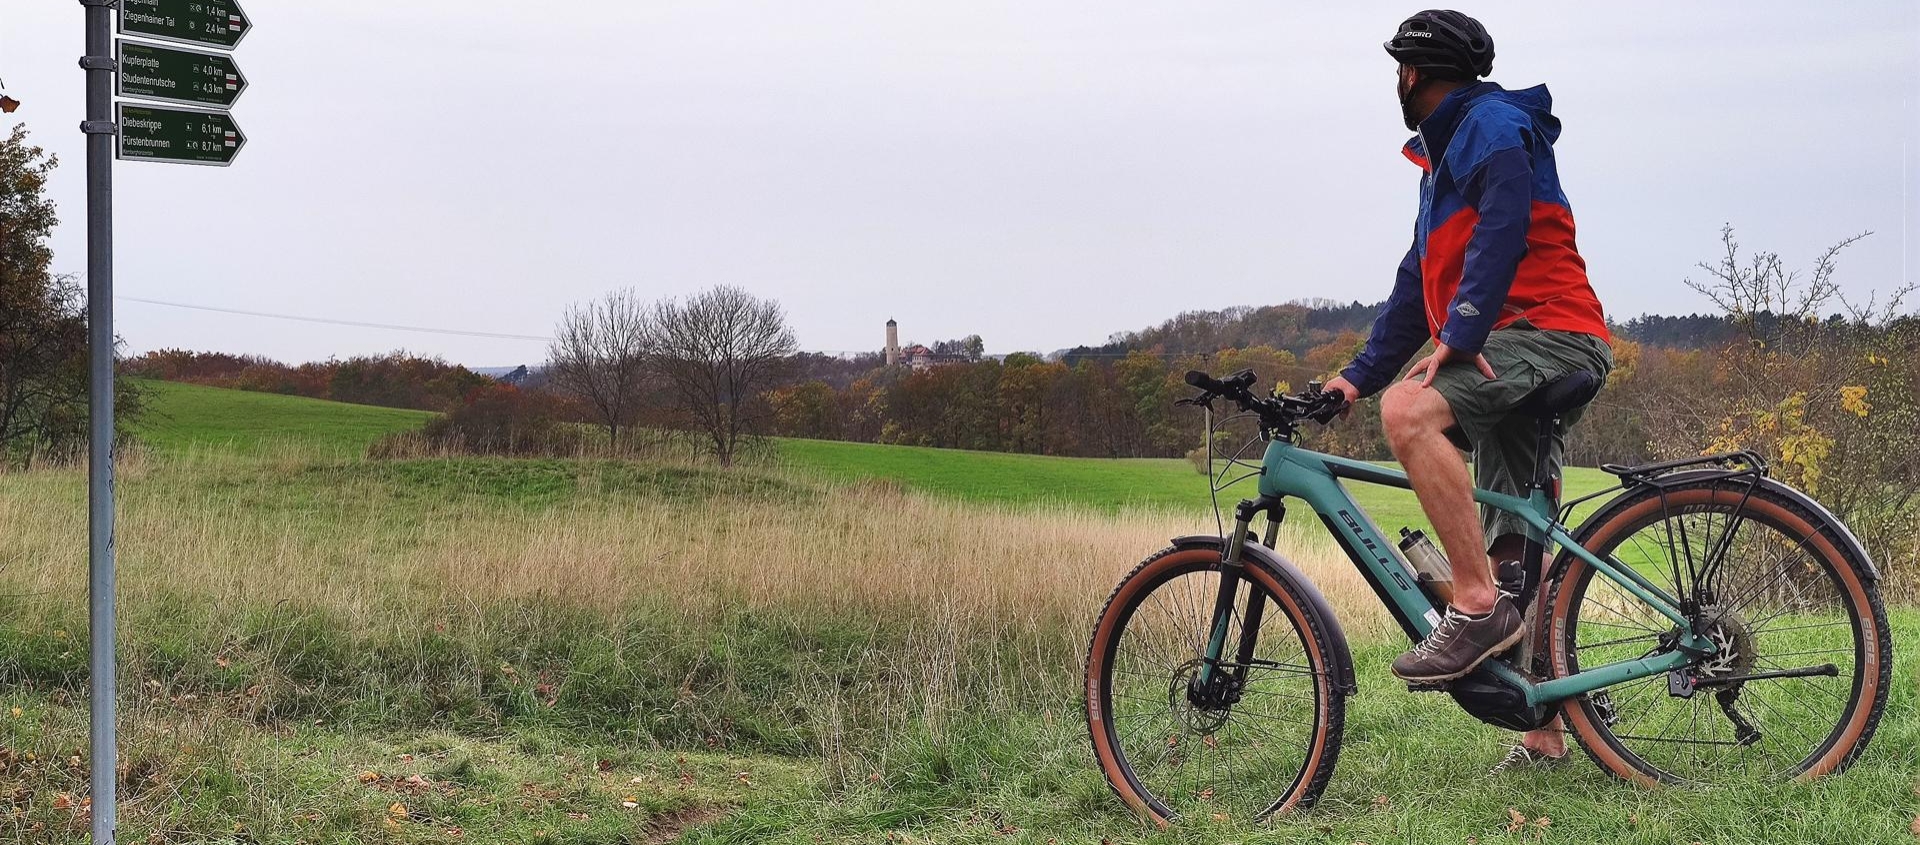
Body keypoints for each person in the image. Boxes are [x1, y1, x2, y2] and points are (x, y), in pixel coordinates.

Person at [1322, 9, 1613, 772]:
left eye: (1398, 70)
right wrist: (1354, 377)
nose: (1396, 81)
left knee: (1411, 411)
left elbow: (1509, 211)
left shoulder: (1487, 124)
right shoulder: (1445, 163)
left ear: (1413, 75)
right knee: (1520, 549)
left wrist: (1469, 328)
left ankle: (1474, 607)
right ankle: (1545, 728)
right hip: (1519, 343)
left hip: (1544, 333)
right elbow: (1415, 288)